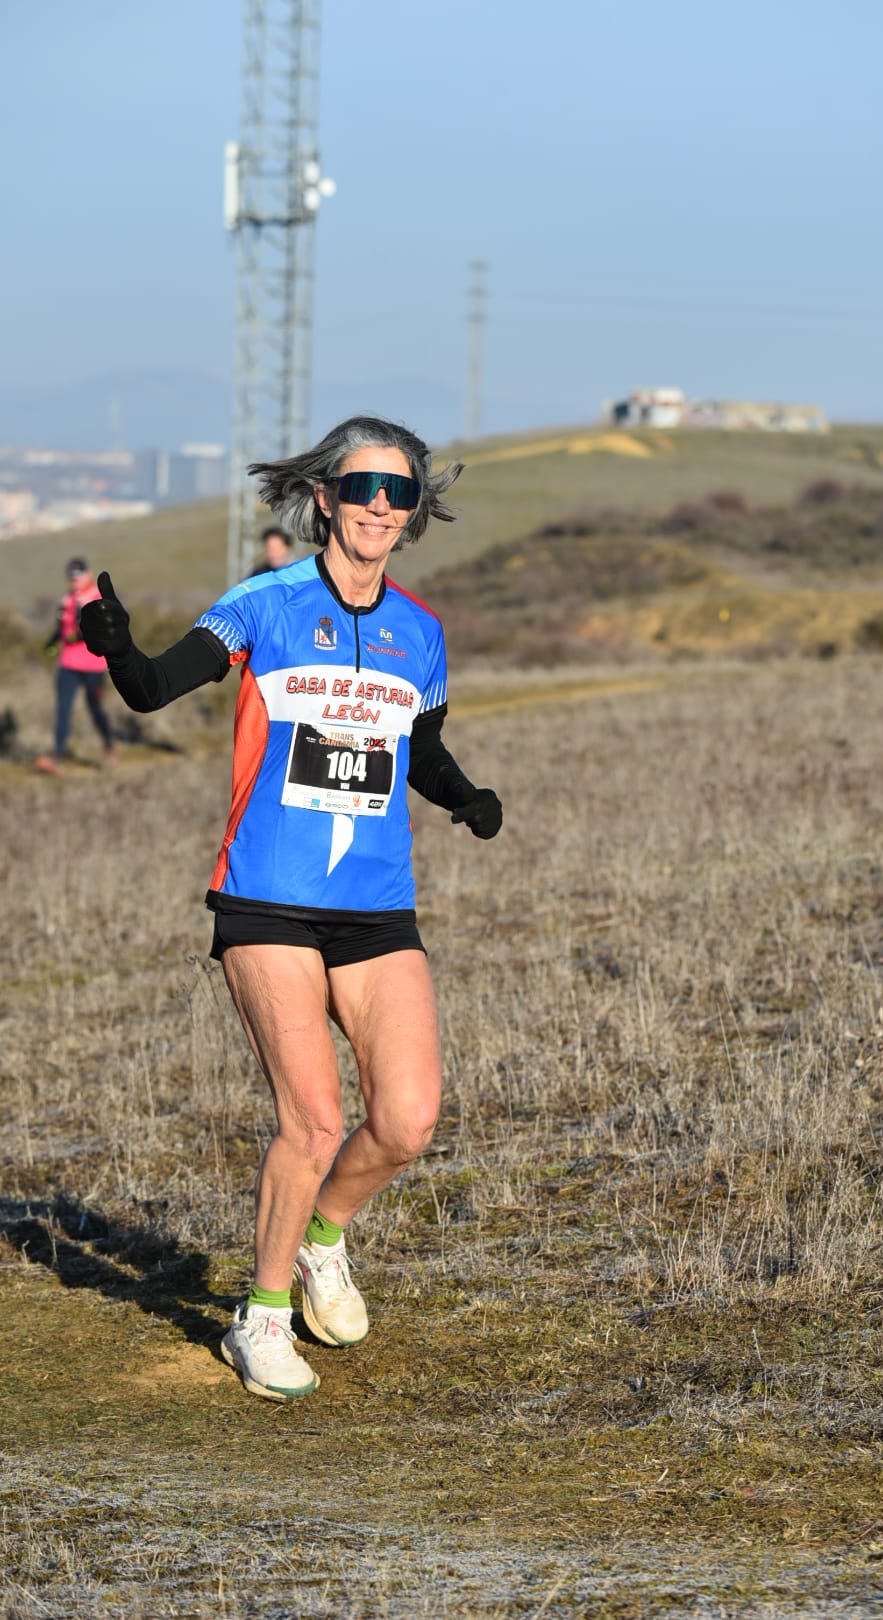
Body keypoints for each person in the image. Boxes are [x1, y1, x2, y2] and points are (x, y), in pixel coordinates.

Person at [81, 415, 503, 1402]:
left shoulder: (422, 633)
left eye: (401, 493)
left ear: (416, 510)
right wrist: (120, 653)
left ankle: (323, 1242)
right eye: (364, 489)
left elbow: (418, 749)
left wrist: (465, 794)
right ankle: (260, 1319)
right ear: (325, 496)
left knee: (406, 1120)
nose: (381, 509)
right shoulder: (261, 605)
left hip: (375, 908)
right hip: (266, 899)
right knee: (312, 1121)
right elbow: (151, 690)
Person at [35, 558, 119, 776]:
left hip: (93, 665)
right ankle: (58, 757)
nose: (75, 580)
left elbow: (98, 625)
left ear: (88, 573)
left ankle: (110, 743)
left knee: (95, 708)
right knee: (63, 708)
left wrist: (76, 635)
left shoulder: (96, 597)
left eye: (79, 575)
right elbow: (62, 628)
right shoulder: (68, 599)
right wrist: (52, 643)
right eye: (72, 576)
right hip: (68, 663)